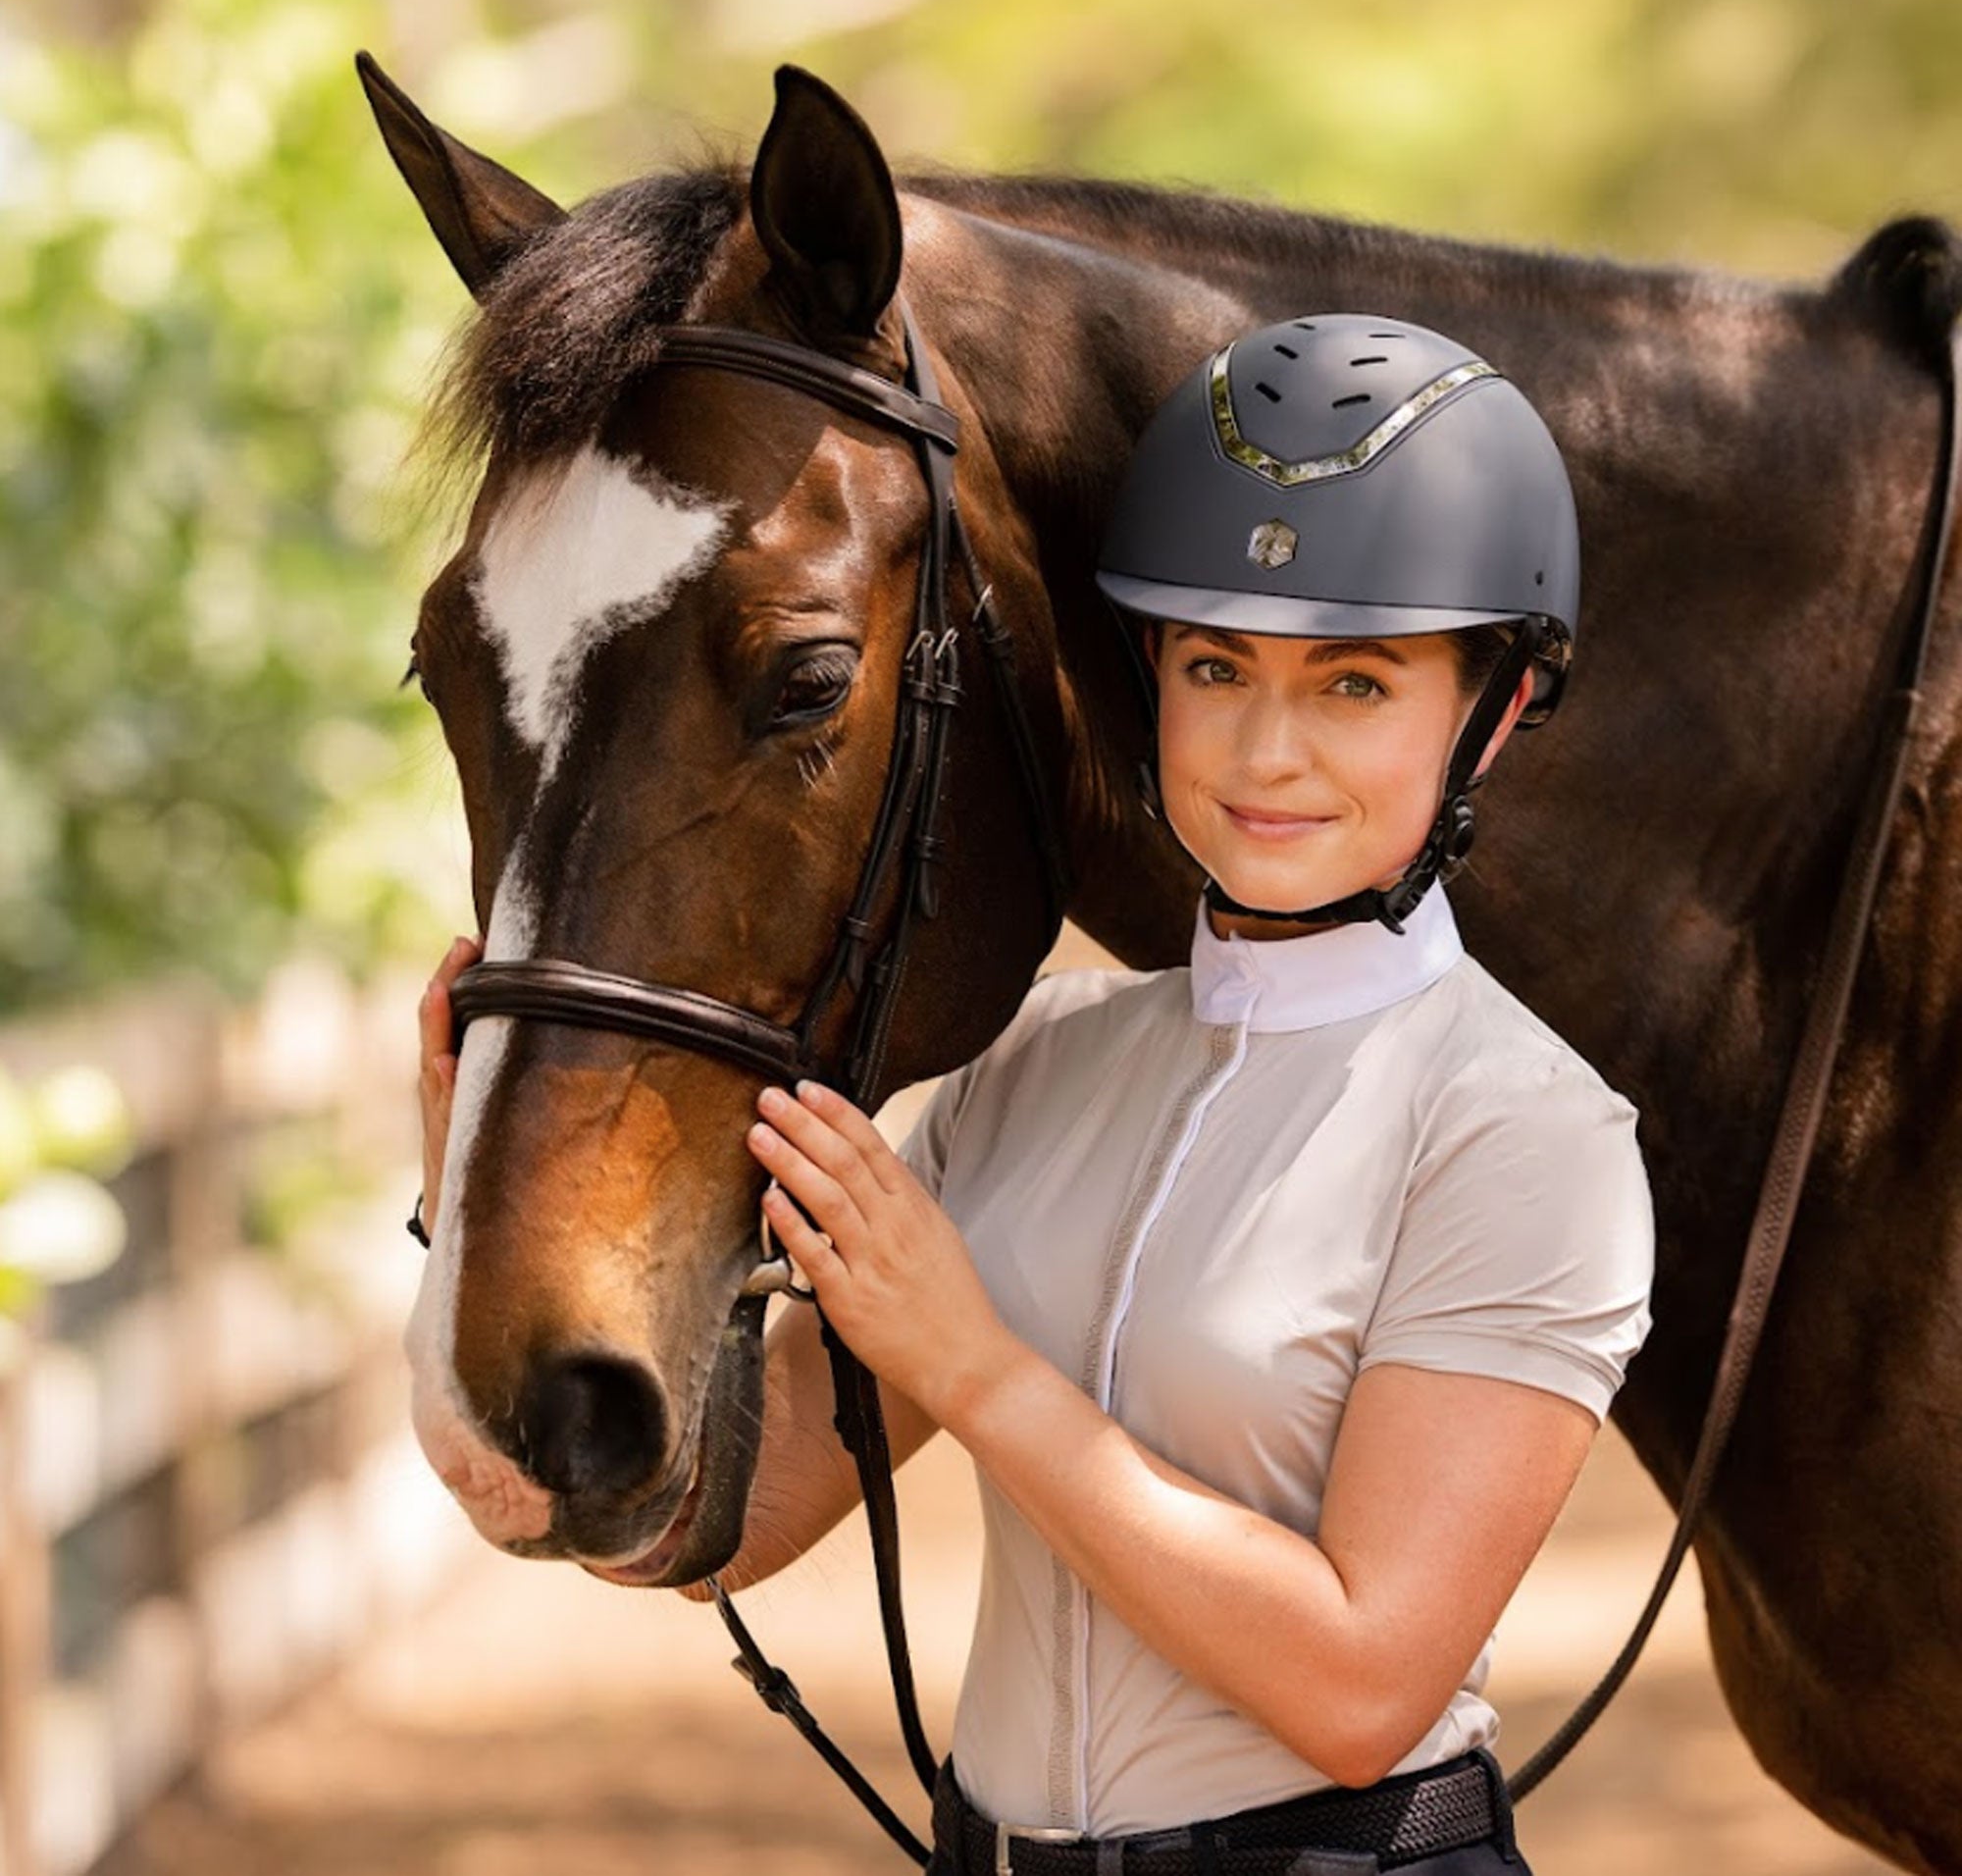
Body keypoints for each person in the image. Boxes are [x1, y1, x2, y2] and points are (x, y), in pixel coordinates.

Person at [418, 313, 1655, 1874]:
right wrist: (484, 1202)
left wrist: (980, 1369)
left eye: (1354, 686)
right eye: (1217, 666)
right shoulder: (1039, 1062)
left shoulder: (1528, 1134)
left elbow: (1360, 1688)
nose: (1266, 751)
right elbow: (723, 1521)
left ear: (1496, 711)